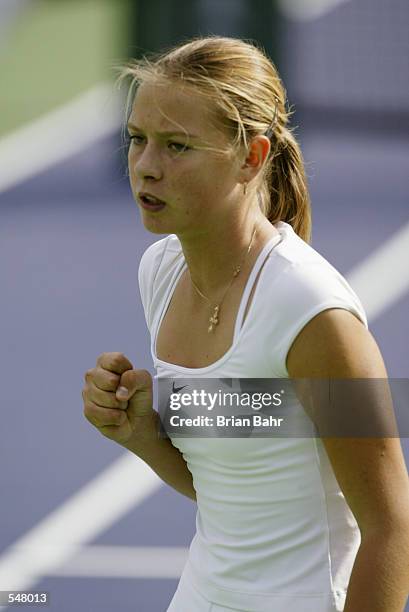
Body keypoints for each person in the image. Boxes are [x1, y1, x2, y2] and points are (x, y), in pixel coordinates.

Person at [82, 36, 409, 611]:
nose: (145, 168)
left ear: (252, 158)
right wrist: (142, 435)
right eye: (137, 140)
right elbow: (237, 490)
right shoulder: (161, 272)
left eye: (177, 146)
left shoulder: (310, 311)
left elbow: (391, 528)